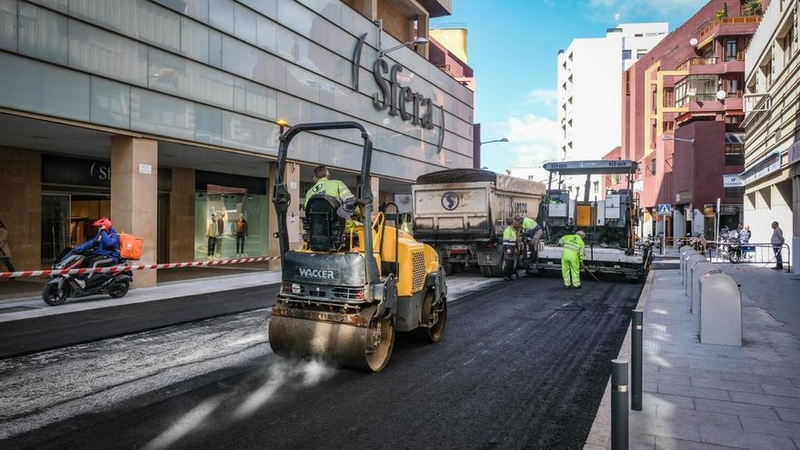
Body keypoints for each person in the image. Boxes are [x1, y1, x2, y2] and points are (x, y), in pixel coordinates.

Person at [305, 165, 361, 233]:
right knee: (369, 230)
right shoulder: (337, 184)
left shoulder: (309, 192)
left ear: (315, 178)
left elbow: (308, 212)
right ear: (328, 175)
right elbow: (350, 201)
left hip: (319, 230)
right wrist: (363, 214)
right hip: (341, 228)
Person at [73, 217, 120, 287]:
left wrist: (103, 232)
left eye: (100, 227)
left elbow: (109, 243)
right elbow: (91, 243)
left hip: (111, 257)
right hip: (101, 255)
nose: (98, 229)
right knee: (84, 259)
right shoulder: (100, 235)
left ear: (105, 226)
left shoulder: (113, 235)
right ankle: (77, 278)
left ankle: (85, 281)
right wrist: (78, 248)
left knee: (94, 262)